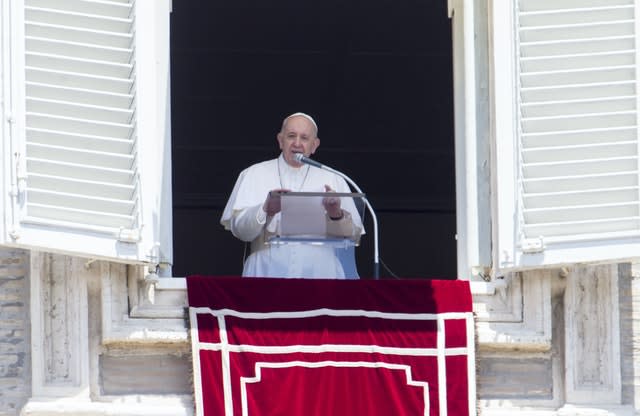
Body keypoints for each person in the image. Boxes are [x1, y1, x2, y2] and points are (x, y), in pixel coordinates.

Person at [220, 112, 364, 278]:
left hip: (321, 274)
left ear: (314, 145)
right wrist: (265, 209)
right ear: (280, 141)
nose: (297, 143)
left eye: (304, 138)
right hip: (266, 272)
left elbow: (353, 236)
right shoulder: (254, 173)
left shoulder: (334, 178)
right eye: (291, 136)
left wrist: (336, 214)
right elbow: (240, 231)